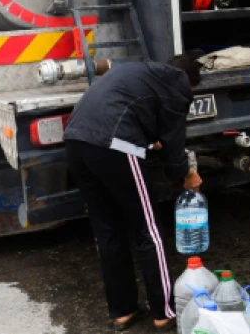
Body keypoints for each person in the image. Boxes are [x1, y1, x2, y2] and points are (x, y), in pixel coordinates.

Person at [64, 56, 204, 331]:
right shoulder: (177, 82)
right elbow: (175, 144)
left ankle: (123, 311)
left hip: (76, 142)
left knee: (108, 231)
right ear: (189, 80)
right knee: (147, 228)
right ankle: (163, 311)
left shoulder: (136, 71)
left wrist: (151, 143)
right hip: (113, 144)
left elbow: (130, 113)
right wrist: (186, 174)